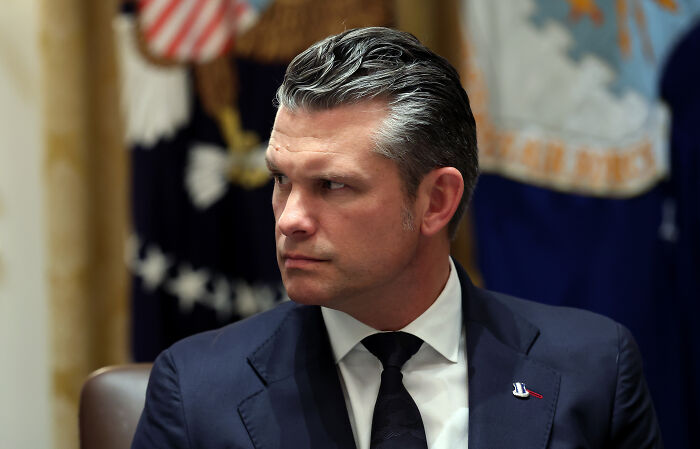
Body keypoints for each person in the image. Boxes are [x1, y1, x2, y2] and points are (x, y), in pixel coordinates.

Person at [131, 27, 663, 449]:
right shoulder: (196, 391)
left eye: (333, 185)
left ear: (435, 202)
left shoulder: (594, 370)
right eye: (280, 180)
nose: (290, 218)